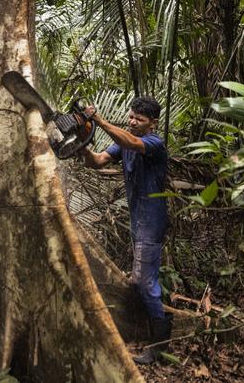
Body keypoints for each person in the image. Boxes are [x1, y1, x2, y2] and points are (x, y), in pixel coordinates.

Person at [79, 96, 172, 364]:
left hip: (151, 222)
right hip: (137, 221)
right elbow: (97, 162)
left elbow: (131, 142)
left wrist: (97, 119)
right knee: (143, 280)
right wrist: (84, 144)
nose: (132, 122)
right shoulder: (125, 142)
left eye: (139, 120)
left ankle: (160, 350)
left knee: (144, 282)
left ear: (152, 124)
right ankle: (155, 336)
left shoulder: (153, 143)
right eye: (131, 117)